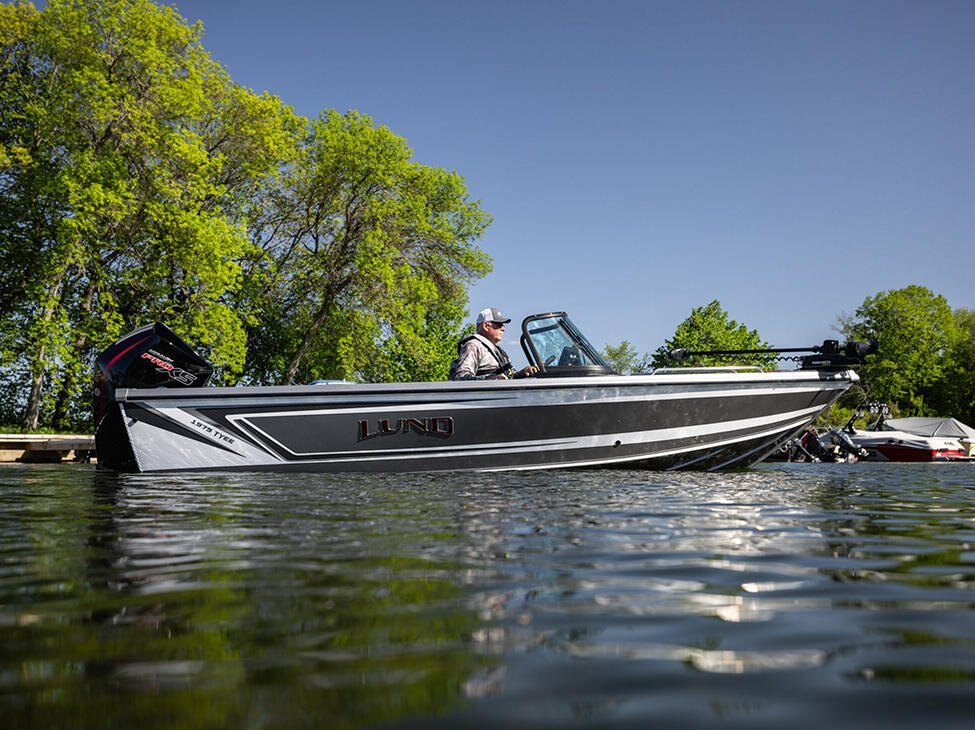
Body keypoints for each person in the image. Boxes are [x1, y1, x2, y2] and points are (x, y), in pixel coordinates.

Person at [449, 307, 539, 380]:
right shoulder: (473, 345)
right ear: (485, 326)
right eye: (499, 324)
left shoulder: (499, 351)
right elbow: (461, 377)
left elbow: (510, 377)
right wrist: (490, 380)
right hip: (486, 396)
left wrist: (525, 372)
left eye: (503, 325)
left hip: (503, 395)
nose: (503, 328)